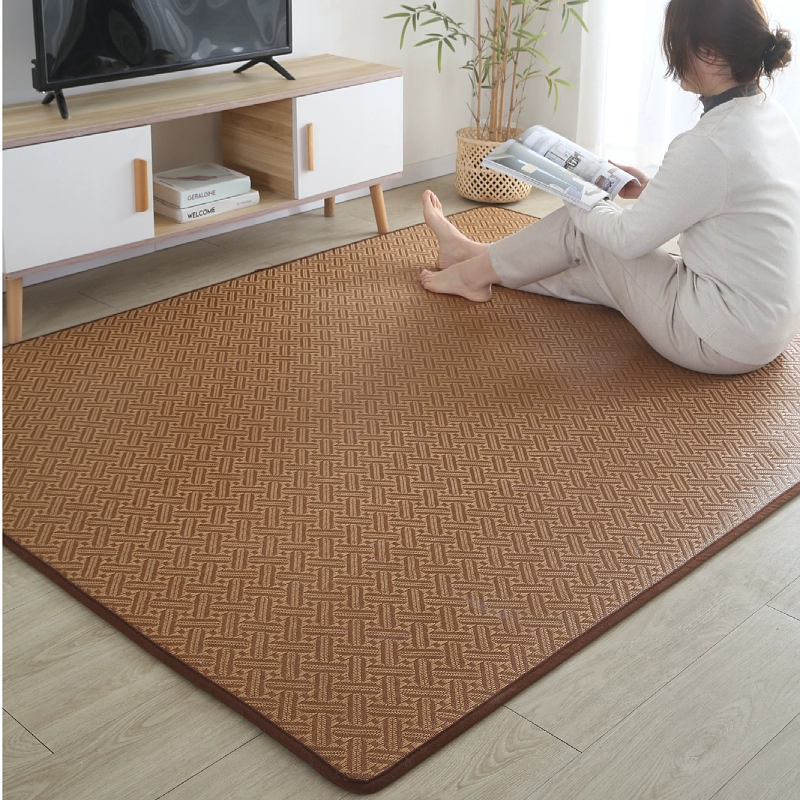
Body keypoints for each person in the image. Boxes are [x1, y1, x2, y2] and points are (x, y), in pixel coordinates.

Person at [420, 0, 800, 375]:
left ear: (708, 53)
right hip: (765, 327)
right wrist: (652, 188)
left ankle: (471, 276)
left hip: (716, 338)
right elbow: (730, 199)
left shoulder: (708, 144)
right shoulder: (771, 115)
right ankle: (474, 256)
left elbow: (626, 240)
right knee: (592, 271)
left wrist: (570, 187)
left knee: (582, 230)